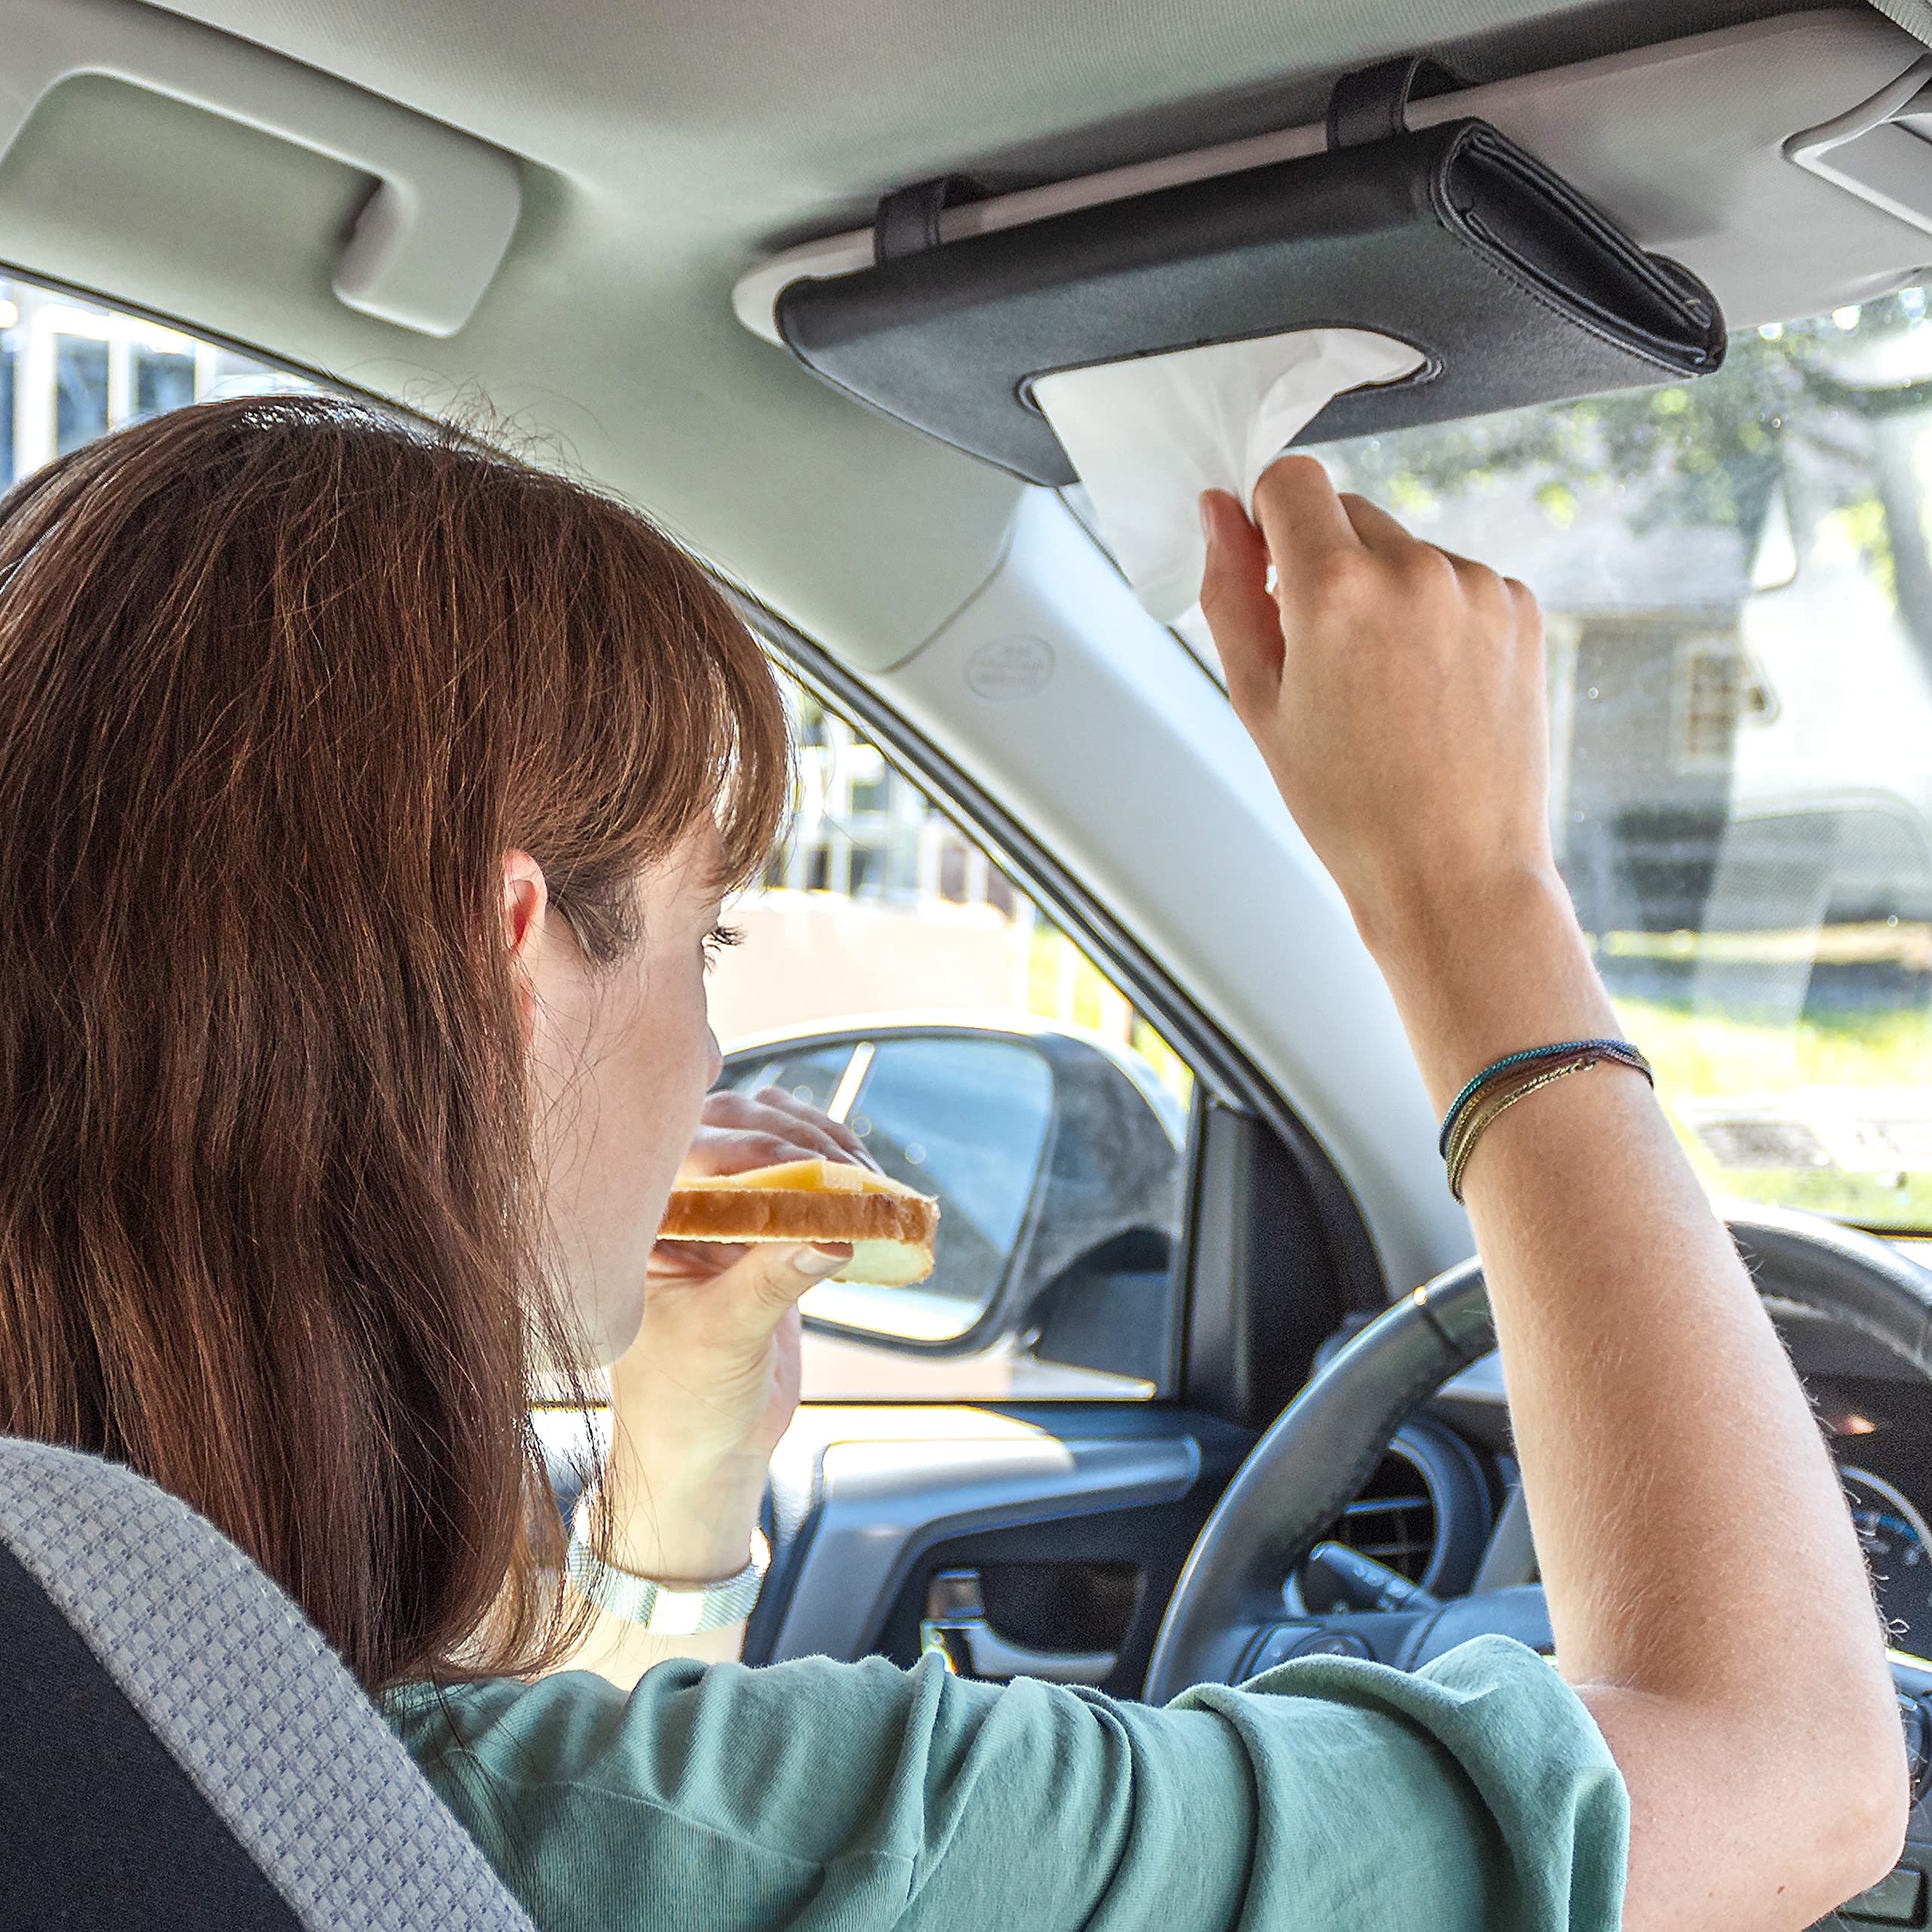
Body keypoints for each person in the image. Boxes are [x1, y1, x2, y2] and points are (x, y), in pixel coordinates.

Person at [0, 393, 1903, 1932]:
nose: (715, 1049)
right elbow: (1784, 1777)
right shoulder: (770, 1839)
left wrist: (677, 1471)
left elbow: (396, 1821)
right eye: (699, 941)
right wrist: (1472, 891)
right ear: (514, 969)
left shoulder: (117, 1689)